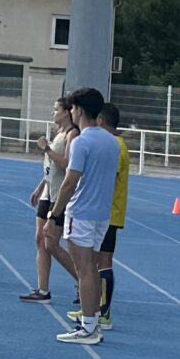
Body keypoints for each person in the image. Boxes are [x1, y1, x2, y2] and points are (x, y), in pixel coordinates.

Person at [47, 87, 120, 345]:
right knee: (91, 269)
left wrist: (54, 215)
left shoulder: (81, 142)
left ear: (78, 110)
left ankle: (89, 328)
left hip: (81, 212)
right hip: (102, 214)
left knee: (84, 270)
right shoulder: (112, 142)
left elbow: (69, 182)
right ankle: (92, 322)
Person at [70, 101, 128, 332]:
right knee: (92, 265)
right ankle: (92, 309)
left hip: (106, 211)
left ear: (101, 121)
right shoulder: (113, 143)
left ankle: (102, 312)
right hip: (105, 210)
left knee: (101, 264)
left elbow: (106, 176)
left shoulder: (114, 145)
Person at [20, 96, 80, 304]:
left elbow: (66, 164)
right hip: (48, 192)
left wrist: (47, 149)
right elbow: (51, 168)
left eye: (56, 109)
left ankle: (84, 281)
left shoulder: (72, 134)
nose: (52, 113)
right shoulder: (58, 133)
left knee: (51, 243)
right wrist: (40, 187)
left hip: (60, 195)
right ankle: (43, 289)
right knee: (40, 240)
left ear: (66, 112)